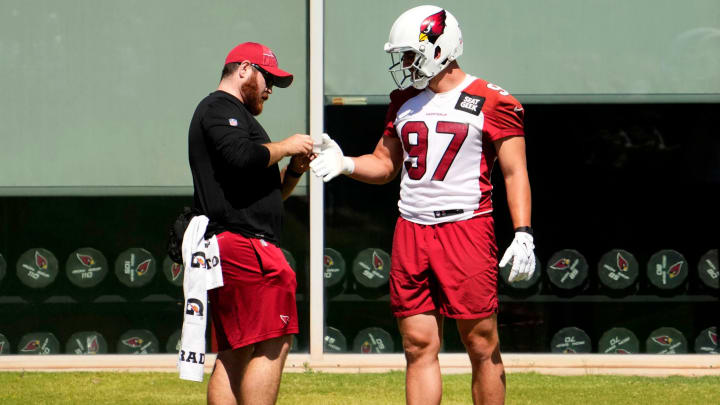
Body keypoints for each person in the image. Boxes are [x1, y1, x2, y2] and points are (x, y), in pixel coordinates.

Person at [310, 5, 535, 405]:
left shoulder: (494, 101)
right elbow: (385, 164)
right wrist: (345, 162)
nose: (406, 64)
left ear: (440, 47)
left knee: (481, 343)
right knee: (416, 345)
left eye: (411, 54)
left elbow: (515, 172)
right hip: (411, 228)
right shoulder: (404, 101)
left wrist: (523, 234)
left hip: (466, 227)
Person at [187, 41, 313, 405]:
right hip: (244, 246)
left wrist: (293, 171)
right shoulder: (217, 107)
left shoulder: (239, 117)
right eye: (267, 78)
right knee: (276, 336)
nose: (270, 89)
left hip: (237, 243)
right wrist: (287, 145)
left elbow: (269, 194)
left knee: (235, 351)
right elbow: (242, 159)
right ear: (244, 69)